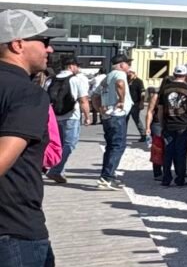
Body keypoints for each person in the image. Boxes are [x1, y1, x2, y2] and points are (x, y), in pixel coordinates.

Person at [0, 9, 65, 267]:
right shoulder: (26, 92)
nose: (50, 48)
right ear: (17, 44)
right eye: (43, 40)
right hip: (16, 236)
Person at [147, 66, 187, 187]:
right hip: (183, 124)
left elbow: (160, 109)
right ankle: (180, 179)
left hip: (168, 124)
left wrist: (162, 123)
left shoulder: (165, 89)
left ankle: (166, 178)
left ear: (174, 74)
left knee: (168, 151)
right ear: (185, 75)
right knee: (181, 152)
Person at [45, 57, 91, 184]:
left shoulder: (50, 80)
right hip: (71, 116)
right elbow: (83, 100)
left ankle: (59, 170)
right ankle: (56, 169)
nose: (79, 68)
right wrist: (87, 116)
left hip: (54, 116)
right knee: (70, 144)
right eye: (77, 66)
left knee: (57, 144)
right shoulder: (76, 80)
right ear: (71, 66)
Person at [96, 53, 133, 189]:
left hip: (107, 115)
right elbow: (120, 84)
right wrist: (122, 100)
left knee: (111, 146)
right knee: (118, 146)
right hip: (117, 114)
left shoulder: (106, 77)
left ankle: (106, 175)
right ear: (122, 64)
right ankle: (107, 177)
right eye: (128, 63)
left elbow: (95, 95)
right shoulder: (119, 74)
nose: (129, 66)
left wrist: (100, 109)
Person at [127, 69, 146, 143]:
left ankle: (143, 135)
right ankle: (122, 135)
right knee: (125, 120)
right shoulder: (126, 80)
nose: (129, 74)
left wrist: (141, 102)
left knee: (137, 119)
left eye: (130, 73)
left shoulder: (138, 81)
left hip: (135, 103)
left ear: (134, 73)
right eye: (128, 73)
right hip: (127, 103)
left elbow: (142, 92)